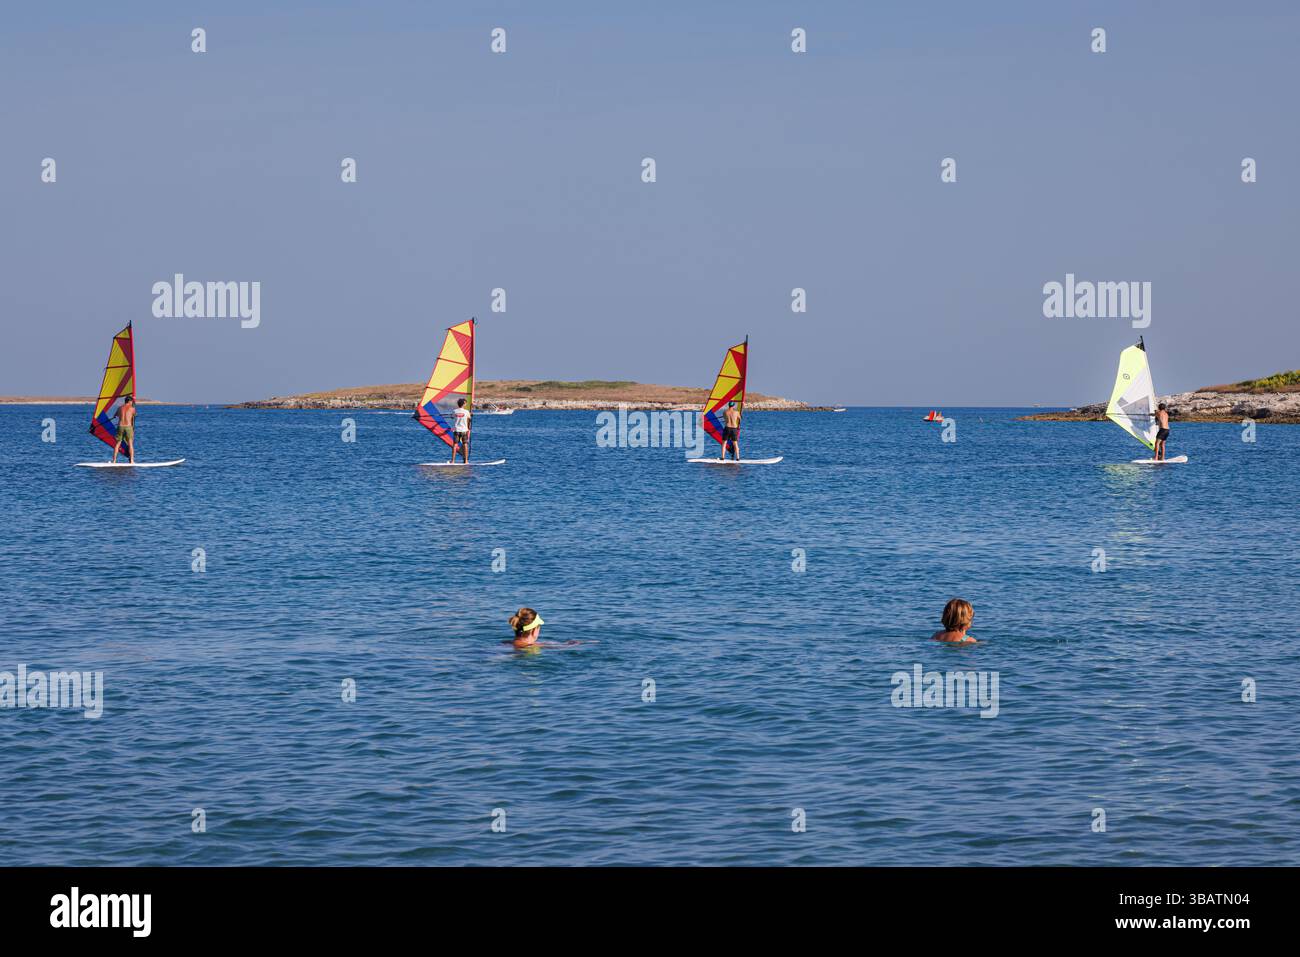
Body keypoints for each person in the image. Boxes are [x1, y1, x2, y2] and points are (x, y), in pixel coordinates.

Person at [111, 396, 137, 464]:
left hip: (120, 426)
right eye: (132, 402)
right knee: (130, 444)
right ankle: (131, 461)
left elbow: (115, 416)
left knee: (117, 444)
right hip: (128, 427)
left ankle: (114, 461)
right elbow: (133, 417)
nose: (132, 403)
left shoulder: (119, 408)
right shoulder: (132, 408)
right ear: (129, 401)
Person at [451, 397, 471, 463]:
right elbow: (469, 419)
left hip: (456, 430)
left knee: (455, 445)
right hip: (464, 431)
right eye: (465, 404)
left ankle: (453, 461)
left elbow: (452, 417)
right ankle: (466, 461)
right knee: (465, 445)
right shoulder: (466, 412)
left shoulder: (454, 411)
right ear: (463, 404)